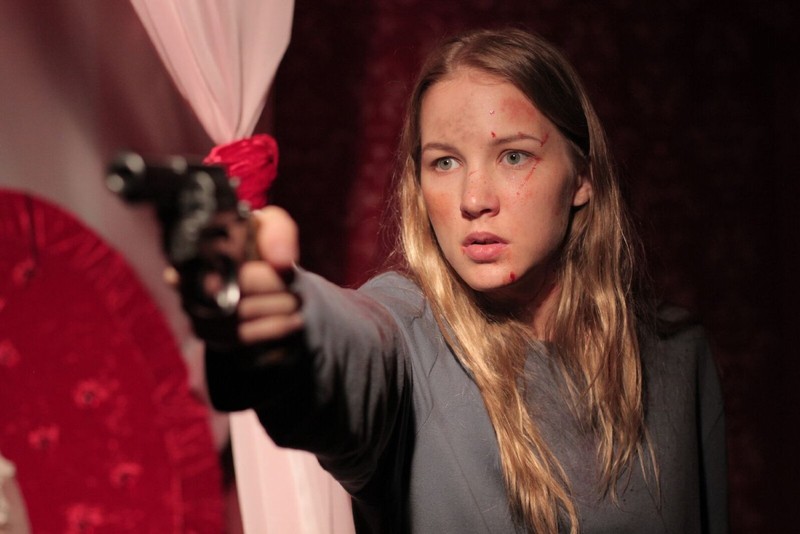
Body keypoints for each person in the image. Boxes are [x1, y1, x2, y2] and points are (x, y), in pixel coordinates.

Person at [200, 28, 728, 533]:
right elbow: (346, 348)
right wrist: (286, 318)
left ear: (581, 179)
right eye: (445, 162)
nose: (474, 199)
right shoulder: (408, 337)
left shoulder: (675, 355)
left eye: (514, 156)